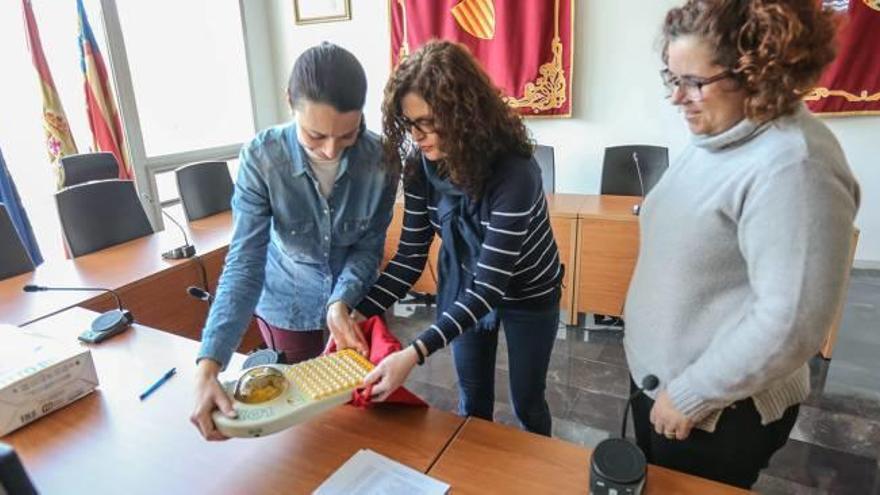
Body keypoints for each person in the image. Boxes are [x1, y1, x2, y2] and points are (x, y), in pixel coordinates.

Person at [624, 0, 860, 488]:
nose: (677, 97)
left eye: (694, 82)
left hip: (714, 412)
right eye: (672, 77)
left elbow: (791, 323)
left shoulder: (795, 164)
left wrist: (690, 395)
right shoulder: (722, 135)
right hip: (665, 387)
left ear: (758, 71)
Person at [347, 40, 564, 436]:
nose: (418, 135)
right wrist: (358, 312)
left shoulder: (516, 172)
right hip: (465, 283)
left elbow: (490, 288)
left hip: (527, 294)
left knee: (527, 399)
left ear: (465, 114)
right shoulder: (420, 167)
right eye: (410, 124)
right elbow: (410, 257)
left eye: (429, 121)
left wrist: (414, 353)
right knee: (472, 397)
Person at [190, 43, 397, 441]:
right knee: (302, 423)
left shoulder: (381, 160)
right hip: (287, 299)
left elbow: (369, 246)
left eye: (348, 135)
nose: (331, 149)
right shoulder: (263, 158)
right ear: (290, 101)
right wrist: (209, 365)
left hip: (354, 302)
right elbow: (244, 263)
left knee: (368, 408)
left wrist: (342, 300)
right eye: (315, 135)